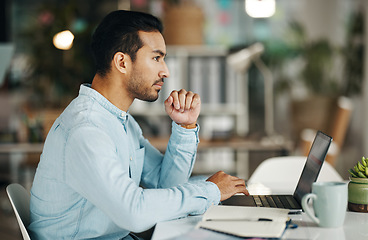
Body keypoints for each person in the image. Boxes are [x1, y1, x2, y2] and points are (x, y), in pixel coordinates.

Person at [28, 10, 248, 239]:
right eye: (156, 58)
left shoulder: (122, 122)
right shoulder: (85, 129)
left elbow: (166, 185)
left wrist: (185, 127)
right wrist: (210, 190)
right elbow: (133, 212)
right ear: (122, 62)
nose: (166, 71)